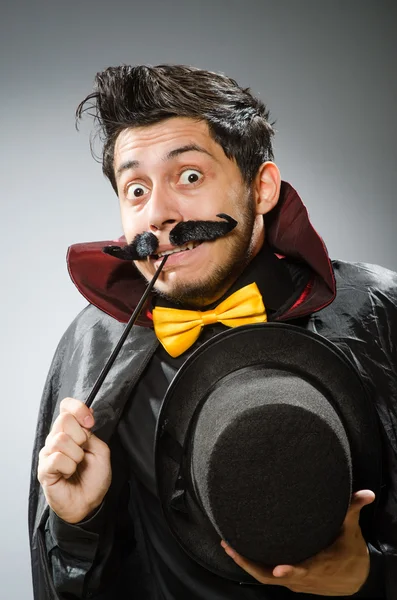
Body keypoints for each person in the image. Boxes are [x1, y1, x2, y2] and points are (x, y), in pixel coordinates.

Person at [29, 64, 397, 600]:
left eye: (190, 177)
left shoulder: (377, 310)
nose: (158, 213)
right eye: (136, 189)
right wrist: (77, 521)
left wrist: (372, 579)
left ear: (263, 187)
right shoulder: (95, 347)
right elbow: (70, 580)